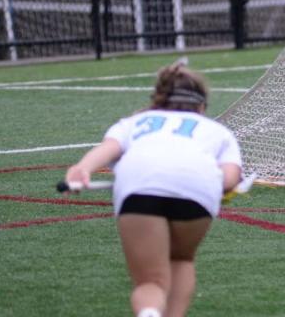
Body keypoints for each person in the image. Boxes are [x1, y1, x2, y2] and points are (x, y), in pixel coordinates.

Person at [62, 61, 243, 317]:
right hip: (197, 190)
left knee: (150, 282)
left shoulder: (134, 122)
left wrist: (82, 169)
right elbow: (229, 179)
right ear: (201, 106)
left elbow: (106, 150)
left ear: (158, 100)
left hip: (139, 188)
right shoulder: (218, 131)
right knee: (181, 258)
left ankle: (149, 312)